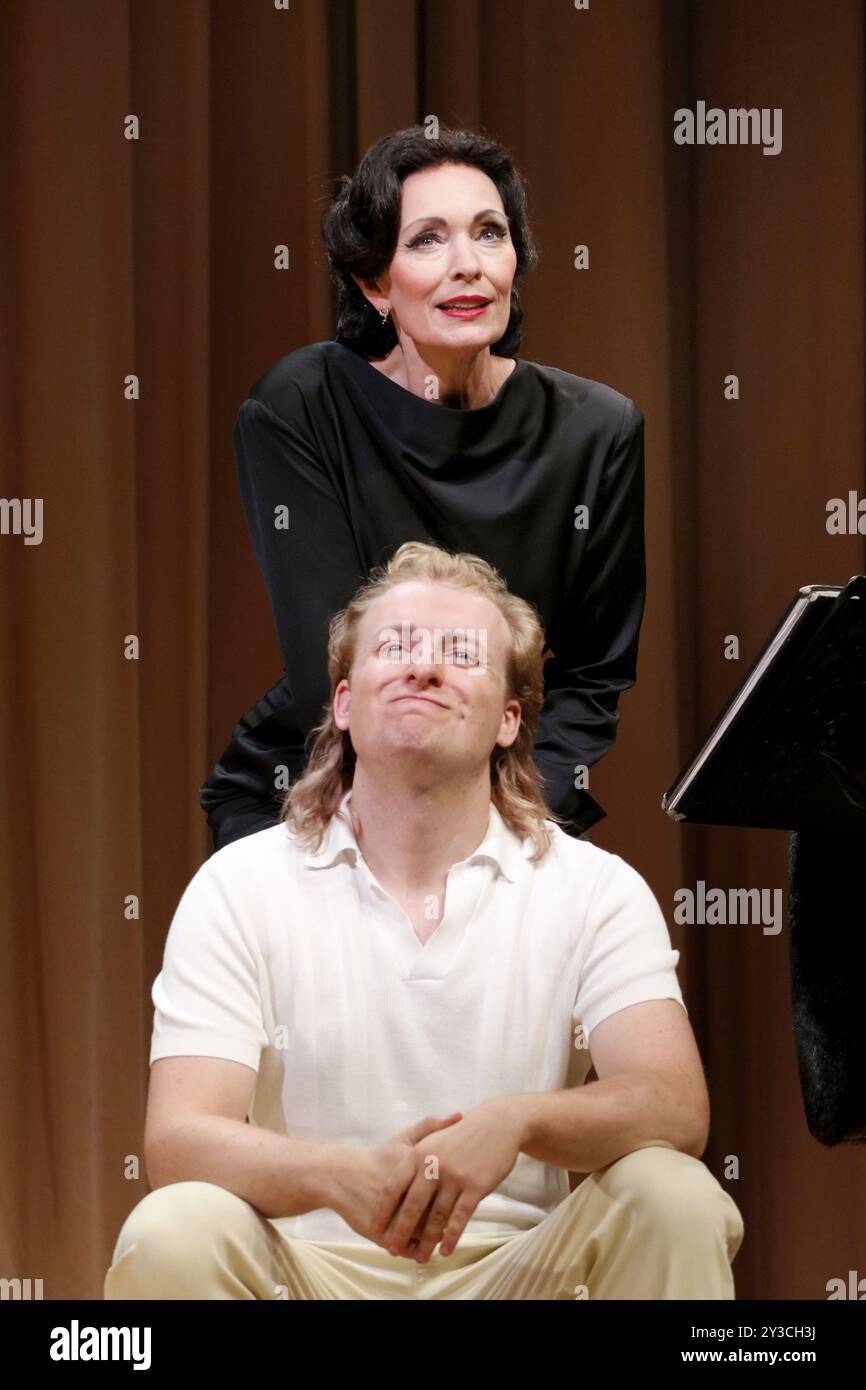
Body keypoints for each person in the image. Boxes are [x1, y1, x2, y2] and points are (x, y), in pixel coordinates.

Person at [104, 543, 744, 1301]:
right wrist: (339, 1176)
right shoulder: (239, 885)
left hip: (525, 1272)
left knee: (674, 1193)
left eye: (461, 654)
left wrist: (516, 1124)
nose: (424, 667)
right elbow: (177, 1140)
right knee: (172, 1227)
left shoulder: (595, 888)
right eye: (396, 647)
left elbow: (675, 1105)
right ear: (343, 703)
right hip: (308, 1273)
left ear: (510, 719)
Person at [201, 124, 646, 851]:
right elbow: (331, 666)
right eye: (427, 240)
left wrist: (511, 826)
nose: (467, 265)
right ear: (374, 282)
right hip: (320, 785)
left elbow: (592, 679)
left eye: (489, 233)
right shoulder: (298, 407)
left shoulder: (600, 430)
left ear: (515, 261)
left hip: (506, 796)